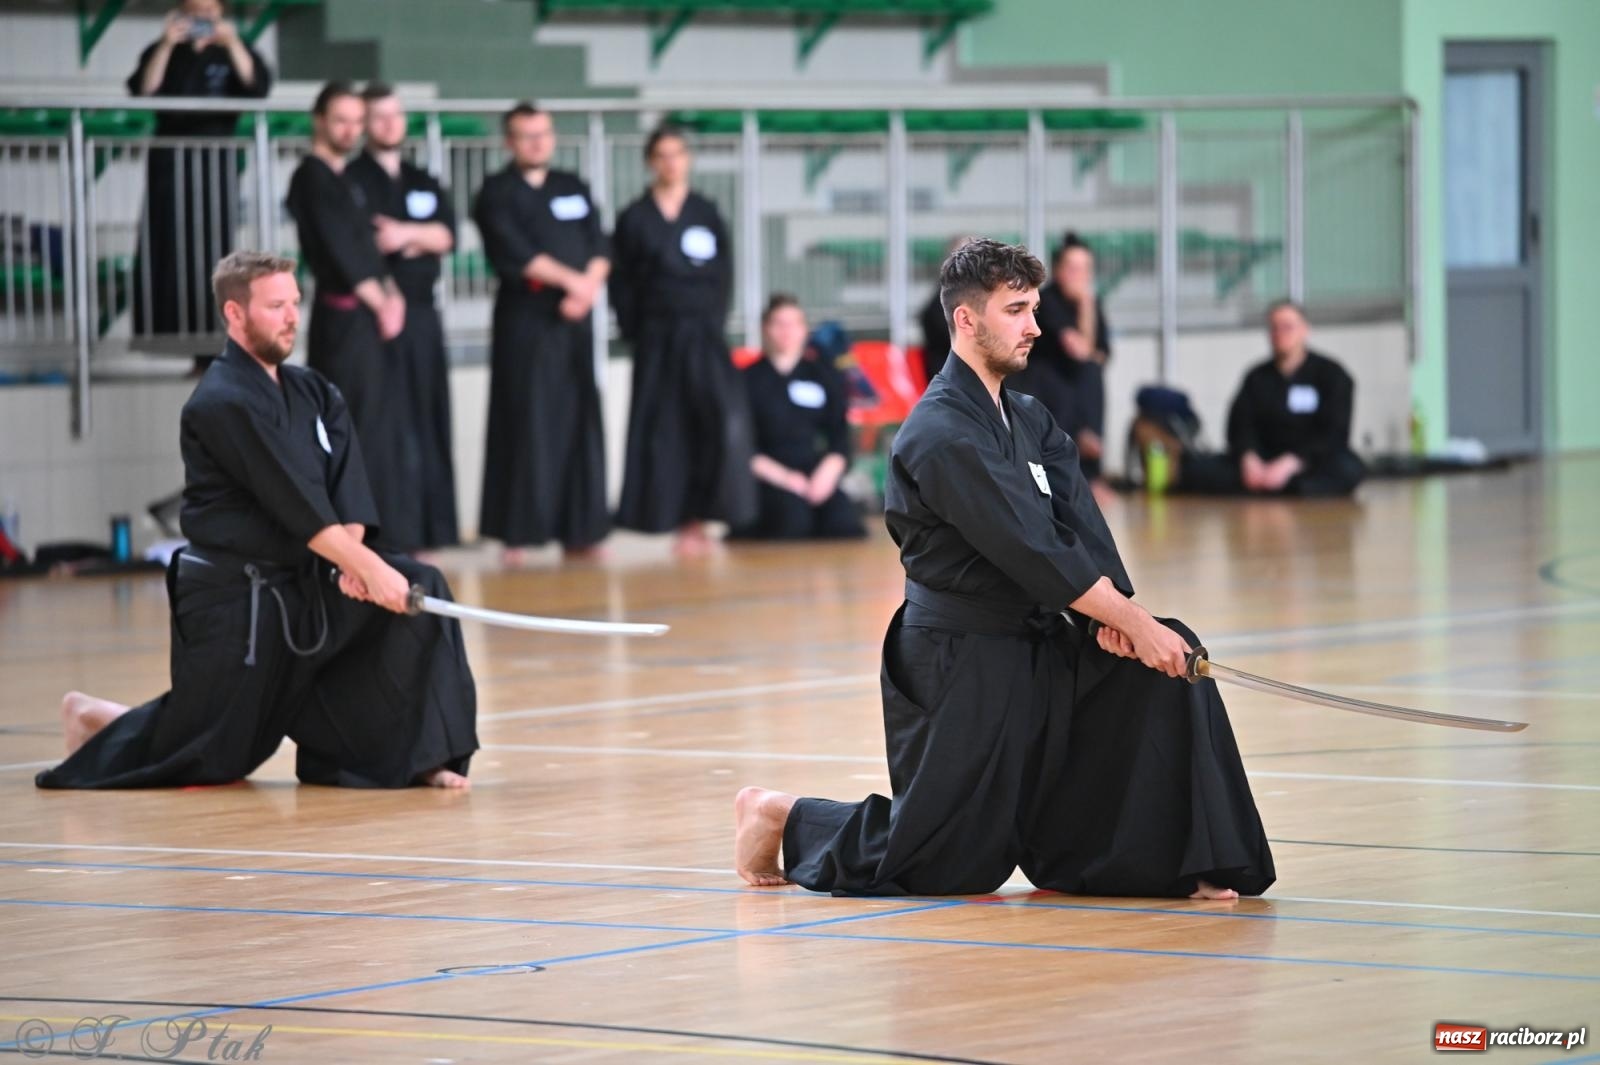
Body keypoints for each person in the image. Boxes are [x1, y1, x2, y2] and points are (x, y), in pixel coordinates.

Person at [733, 239, 1273, 899]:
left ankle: (1178, 860)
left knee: (1159, 666)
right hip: (962, 657)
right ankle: (781, 814)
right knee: (944, 865)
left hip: (1043, 638)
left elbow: (1079, 529)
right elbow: (1032, 549)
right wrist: (1128, 619)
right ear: (966, 320)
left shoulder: (1028, 416)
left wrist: (1120, 622)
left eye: (1035, 307)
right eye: (1016, 309)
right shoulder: (940, 434)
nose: (1035, 326)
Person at [37, 251, 477, 791]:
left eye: (295, 303)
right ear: (235, 314)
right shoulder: (221, 403)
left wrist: (355, 566)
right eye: (276, 306)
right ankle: (92, 715)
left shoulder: (316, 392)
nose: (293, 316)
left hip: (311, 581)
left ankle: (413, 757)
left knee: (420, 587)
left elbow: (345, 489)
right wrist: (362, 565)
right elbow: (297, 505)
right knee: (212, 759)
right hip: (236, 600)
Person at [474, 103, 611, 564]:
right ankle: (518, 532)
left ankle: (581, 529)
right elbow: (517, 252)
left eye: (544, 133)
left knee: (579, 417)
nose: (537, 142)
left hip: (576, 317)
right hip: (527, 317)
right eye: (526, 135)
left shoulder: (572, 186)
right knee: (524, 417)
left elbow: (599, 243)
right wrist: (574, 283)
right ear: (509, 142)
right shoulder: (496, 192)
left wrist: (588, 287)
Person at [610, 125, 754, 555]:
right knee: (662, 428)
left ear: (687, 159)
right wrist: (637, 330)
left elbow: (723, 273)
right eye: (662, 155)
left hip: (704, 334)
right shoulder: (635, 217)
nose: (671, 163)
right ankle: (663, 515)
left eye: (678, 154)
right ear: (651, 162)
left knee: (712, 422)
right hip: (656, 335)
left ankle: (700, 517)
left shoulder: (706, 211)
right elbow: (622, 283)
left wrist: (711, 322)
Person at [285, 82, 408, 549]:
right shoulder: (311, 178)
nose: (351, 130)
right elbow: (339, 251)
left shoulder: (347, 178)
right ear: (319, 119)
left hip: (369, 317)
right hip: (344, 320)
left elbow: (370, 246)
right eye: (341, 120)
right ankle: (347, 534)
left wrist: (391, 293)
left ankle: (375, 532)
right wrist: (380, 301)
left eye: (358, 122)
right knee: (345, 425)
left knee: (375, 424)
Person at [343, 82, 460, 554]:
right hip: (376, 315)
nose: (390, 123)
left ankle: (430, 531)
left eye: (396, 114)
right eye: (379, 116)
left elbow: (447, 236)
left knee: (427, 419)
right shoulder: (352, 179)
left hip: (423, 314)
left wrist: (407, 235)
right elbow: (366, 243)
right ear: (363, 124)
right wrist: (419, 239)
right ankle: (385, 533)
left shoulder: (422, 179)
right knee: (382, 424)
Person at [127, 0, 271, 341]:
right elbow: (143, 89)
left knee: (216, 249)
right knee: (167, 245)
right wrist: (166, 43)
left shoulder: (235, 50)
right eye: (195, 12)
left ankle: (211, 340)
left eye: (210, 12)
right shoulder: (165, 49)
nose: (203, 19)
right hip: (170, 161)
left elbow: (258, 86)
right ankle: (166, 336)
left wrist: (233, 43)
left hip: (216, 160)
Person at [1171, 300, 1365, 497]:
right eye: (1274, 328)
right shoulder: (1256, 376)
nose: (1280, 333)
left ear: (1305, 330)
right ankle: (1275, 486)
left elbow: (1335, 433)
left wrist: (1292, 462)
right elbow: (1239, 426)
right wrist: (1249, 459)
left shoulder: (1332, 375)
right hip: (1263, 459)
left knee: (1348, 469)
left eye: (1287, 327)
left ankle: (1287, 486)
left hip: (1309, 462)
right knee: (1193, 470)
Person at [732, 295, 864, 541]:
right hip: (769, 475)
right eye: (778, 324)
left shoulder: (823, 375)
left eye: (794, 324)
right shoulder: (746, 380)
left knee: (842, 519)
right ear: (765, 329)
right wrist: (785, 479)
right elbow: (741, 445)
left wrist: (827, 474)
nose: (786, 331)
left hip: (813, 470)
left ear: (804, 329)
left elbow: (839, 433)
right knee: (792, 518)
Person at [1010, 232, 1111, 488]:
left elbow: (1101, 354)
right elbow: (1080, 350)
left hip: (1076, 383)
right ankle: (1086, 458)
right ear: (1058, 270)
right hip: (1038, 379)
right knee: (1078, 375)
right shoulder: (1046, 300)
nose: (1080, 276)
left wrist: (1087, 305)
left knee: (1091, 372)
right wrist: (1087, 305)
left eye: (1085, 269)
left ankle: (1090, 458)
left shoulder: (1091, 303)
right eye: (1073, 268)